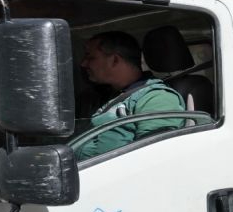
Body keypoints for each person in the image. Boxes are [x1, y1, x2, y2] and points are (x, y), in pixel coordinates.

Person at [74, 31, 186, 160]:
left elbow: (154, 158)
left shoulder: (157, 98)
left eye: (90, 57)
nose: (83, 63)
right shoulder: (103, 95)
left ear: (115, 60)